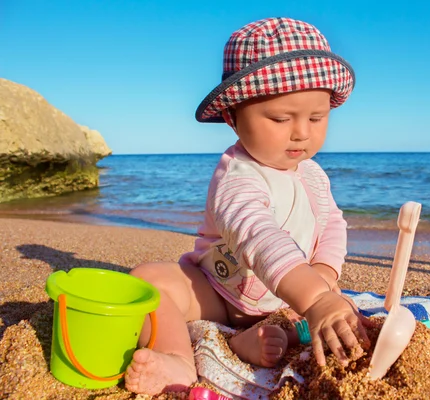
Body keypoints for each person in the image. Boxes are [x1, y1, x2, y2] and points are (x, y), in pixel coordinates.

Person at [124, 17, 371, 395]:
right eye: (280, 118)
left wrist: (324, 276)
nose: (302, 131)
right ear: (233, 118)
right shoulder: (236, 177)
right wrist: (316, 297)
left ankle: (250, 341)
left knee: (327, 320)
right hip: (218, 293)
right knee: (147, 280)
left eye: (317, 117)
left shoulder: (314, 175)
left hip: (288, 300)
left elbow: (332, 225)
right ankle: (176, 356)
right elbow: (258, 235)